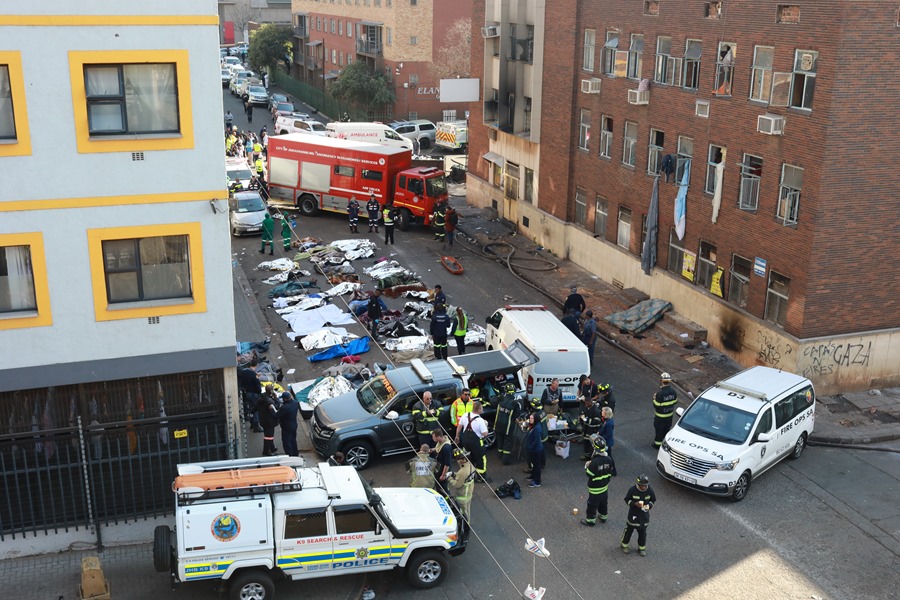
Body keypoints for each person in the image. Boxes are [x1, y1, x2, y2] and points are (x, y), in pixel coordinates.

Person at [581, 436, 614, 526]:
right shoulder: (609, 459)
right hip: (604, 487)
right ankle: (603, 517)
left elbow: (589, 474)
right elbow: (610, 473)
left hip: (595, 488)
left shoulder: (594, 462)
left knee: (592, 505)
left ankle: (590, 521)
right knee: (603, 503)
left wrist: (587, 466)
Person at [621, 474, 656, 556]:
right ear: (638, 484)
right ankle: (624, 545)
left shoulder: (650, 491)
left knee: (642, 534)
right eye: (642, 486)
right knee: (628, 532)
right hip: (633, 516)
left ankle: (641, 548)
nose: (644, 487)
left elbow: (653, 500)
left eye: (645, 485)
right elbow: (627, 499)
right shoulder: (632, 490)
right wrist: (634, 504)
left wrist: (649, 506)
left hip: (644, 517)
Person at [456, 401, 490, 483]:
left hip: (466, 441)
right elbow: (485, 434)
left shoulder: (465, 415)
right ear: (478, 410)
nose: (482, 410)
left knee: (469, 458)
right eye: (481, 408)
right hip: (476, 443)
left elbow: (459, 426)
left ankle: (470, 476)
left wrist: (457, 436)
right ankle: (481, 477)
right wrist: (486, 425)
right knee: (481, 459)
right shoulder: (480, 420)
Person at [494, 386, 523, 465]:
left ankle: (500, 456)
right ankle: (505, 461)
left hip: (498, 425)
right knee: (507, 443)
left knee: (500, 441)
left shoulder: (501, 399)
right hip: (507, 426)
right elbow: (517, 414)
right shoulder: (514, 403)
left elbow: (493, 402)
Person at [448, 448, 475, 522]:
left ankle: (465, 525)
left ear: (461, 460)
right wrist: (454, 474)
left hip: (462, 496)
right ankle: (468, 523)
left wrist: (449, 478)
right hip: (468, 494)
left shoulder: (462, 471)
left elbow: (456, 484)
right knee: (467, 510)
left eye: (457, 459)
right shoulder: (470, 466)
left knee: (463, 514)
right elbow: (464, 478)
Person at [652, 373, 678, 449]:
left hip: (660, 417)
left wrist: (654, 399)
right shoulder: (673, 392)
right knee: (666, 430)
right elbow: (675, 402)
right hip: (669, 416)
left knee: (659, 431)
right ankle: (665, 443)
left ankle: (657, 445)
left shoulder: (660, 394)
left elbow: (656, 405)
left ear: (661, 381)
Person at [237, 366, 263, 432]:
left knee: (251, 409)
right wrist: (259, 392)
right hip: (254, 394)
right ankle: (256, 425)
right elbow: (258, 385)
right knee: (256, 409)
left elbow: (241, 383)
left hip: (248, 393)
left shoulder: (244, 373)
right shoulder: (254, 375)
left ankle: (252, 423)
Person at [578, 394, 603, 460]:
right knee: (586, 442)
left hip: (592, 430)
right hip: (586, 429)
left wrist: (585, 419)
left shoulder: (595, 410)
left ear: (590, 402)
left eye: (586, 403)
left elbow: (596, 421)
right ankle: (586, 454)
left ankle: (589, 456)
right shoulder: (588, 407)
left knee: (590, 444)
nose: (585, 405)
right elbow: (584, 412)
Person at [254, 389, 279, 456]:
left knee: (268, 435)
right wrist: (276, 399)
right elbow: (276, 407)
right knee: (269, 437)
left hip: (263, 420)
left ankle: (272, 447)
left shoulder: (260, 399)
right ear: (271, 392)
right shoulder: (270, 401)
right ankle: (266, 451)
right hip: (270, 422)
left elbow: (255, 408)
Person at [524, 412, 545, 488]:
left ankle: (537, 481)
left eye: (532, 418)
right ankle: (533, 476)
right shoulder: (534, 426)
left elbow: (537, 441)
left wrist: (530, 447)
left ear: (536, 419)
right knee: (534, 464)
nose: (530, 419)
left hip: (536, 450)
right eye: (530, 418)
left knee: (537, 466)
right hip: (533, 450)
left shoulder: (537, 429)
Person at [277, 391, 299, 456]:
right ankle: (295, 454)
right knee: (293, 440)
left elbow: (276, 415)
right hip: (294, 425)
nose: (282, 400)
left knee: (287, 442)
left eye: (283, 398)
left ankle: (290, 455)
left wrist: (271, 409)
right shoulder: (295, 403)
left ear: (285, 399)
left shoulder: (284, 407)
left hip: (286, 427)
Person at [431, 429, 453, 496]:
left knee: (443, 487)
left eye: (433, 437)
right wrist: (431, 450)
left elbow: (447, 464)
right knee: (438, 485)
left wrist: (443, 475)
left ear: (438, 437)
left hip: (443, 470)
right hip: (439, 467)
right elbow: (438, 448)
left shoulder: (446, 448)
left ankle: (447, 499)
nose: (432, 439)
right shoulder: (441, 442)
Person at [598, 406, 617, 476]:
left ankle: (613, 470)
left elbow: (609, 434)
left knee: (609, 457)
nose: (601, 412)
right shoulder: (607, 420)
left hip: (607, 443)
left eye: (602, 411)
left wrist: (600, 437)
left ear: (606, 413)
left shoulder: (608, 423)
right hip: (606, 442)